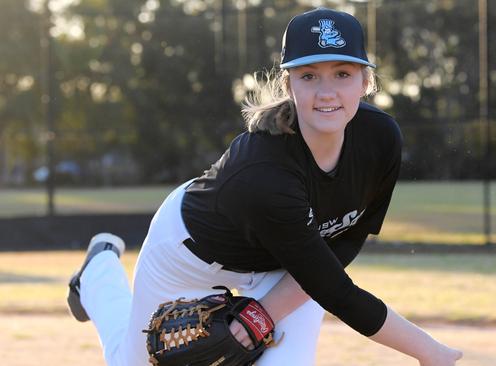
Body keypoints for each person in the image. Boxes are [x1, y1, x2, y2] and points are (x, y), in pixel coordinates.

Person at [66, 7, 463, 366]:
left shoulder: (380, 139)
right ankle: (98, 273)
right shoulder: (264, 172)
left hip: (289, 267)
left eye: (342, 74)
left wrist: (266, 311)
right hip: (190, 254)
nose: (327, 92)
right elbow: (338, 292)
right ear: (289, 84)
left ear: (365, 81)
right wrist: (431, 353)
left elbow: (344, 242)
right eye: (309, 76)